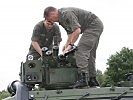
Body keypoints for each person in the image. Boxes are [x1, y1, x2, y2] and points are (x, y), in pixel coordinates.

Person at [44, 6, 104, 88]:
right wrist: (66, 45)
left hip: (92, 25)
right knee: (89, 53)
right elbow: (70, 33)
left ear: (52, 14)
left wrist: (70, 45)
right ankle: (92, 79)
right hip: (94, 25)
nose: (52, 21)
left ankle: (83, 79)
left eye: (50, 19)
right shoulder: (62, 19)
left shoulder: (66, 14)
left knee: (80, 51)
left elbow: (77, 30)